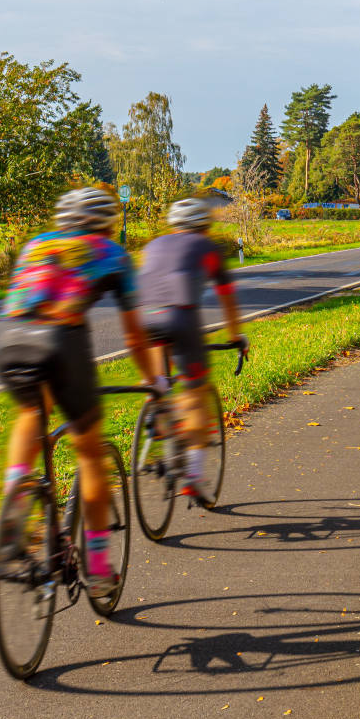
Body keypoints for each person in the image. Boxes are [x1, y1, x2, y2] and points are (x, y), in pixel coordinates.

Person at [0, 186, 165, 593]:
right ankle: (99, 568)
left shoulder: (37, 244)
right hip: (59, 342)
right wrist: (153, 379)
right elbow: (135, 336)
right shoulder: (112, 254)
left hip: (9, 340)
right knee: (89, 453)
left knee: (31, 413)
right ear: (107, 224)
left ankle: (15, 505)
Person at [137, 196, 247, 506]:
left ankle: (157, 414)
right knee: (195, 393)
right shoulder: (207, 247)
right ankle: (194, 476)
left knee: (160, 380)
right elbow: (227, 298)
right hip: (181, 319)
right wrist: (236, 336)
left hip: (145, 320)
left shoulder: (152, 246)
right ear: (204, 225)